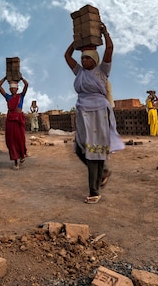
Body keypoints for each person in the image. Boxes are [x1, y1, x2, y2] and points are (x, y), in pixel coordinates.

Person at [65, 22, 125, 204]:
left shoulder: (102, 71)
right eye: (82, 59)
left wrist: (105, 33)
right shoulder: (79, 72)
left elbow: (110, 48)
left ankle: (94, 191)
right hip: (83, 113)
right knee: (80, 149)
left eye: (87, 59)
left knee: (93, 152)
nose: (83, 61)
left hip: (99, 114)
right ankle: (104, 172)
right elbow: (67, 56)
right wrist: (75, 42)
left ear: (95, 59)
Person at [0, 75, 29, 169]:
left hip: (18, 120)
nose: (12, 90)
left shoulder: (21, 96)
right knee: (12, 141)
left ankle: (23, 155)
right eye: (11, 89)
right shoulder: (8, 97)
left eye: (14, 88)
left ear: (17, 89)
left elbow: (26, 85)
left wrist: (21, 78)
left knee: (20, 139)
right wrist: (5, 78)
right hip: (10, 121)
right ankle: (16, 162)